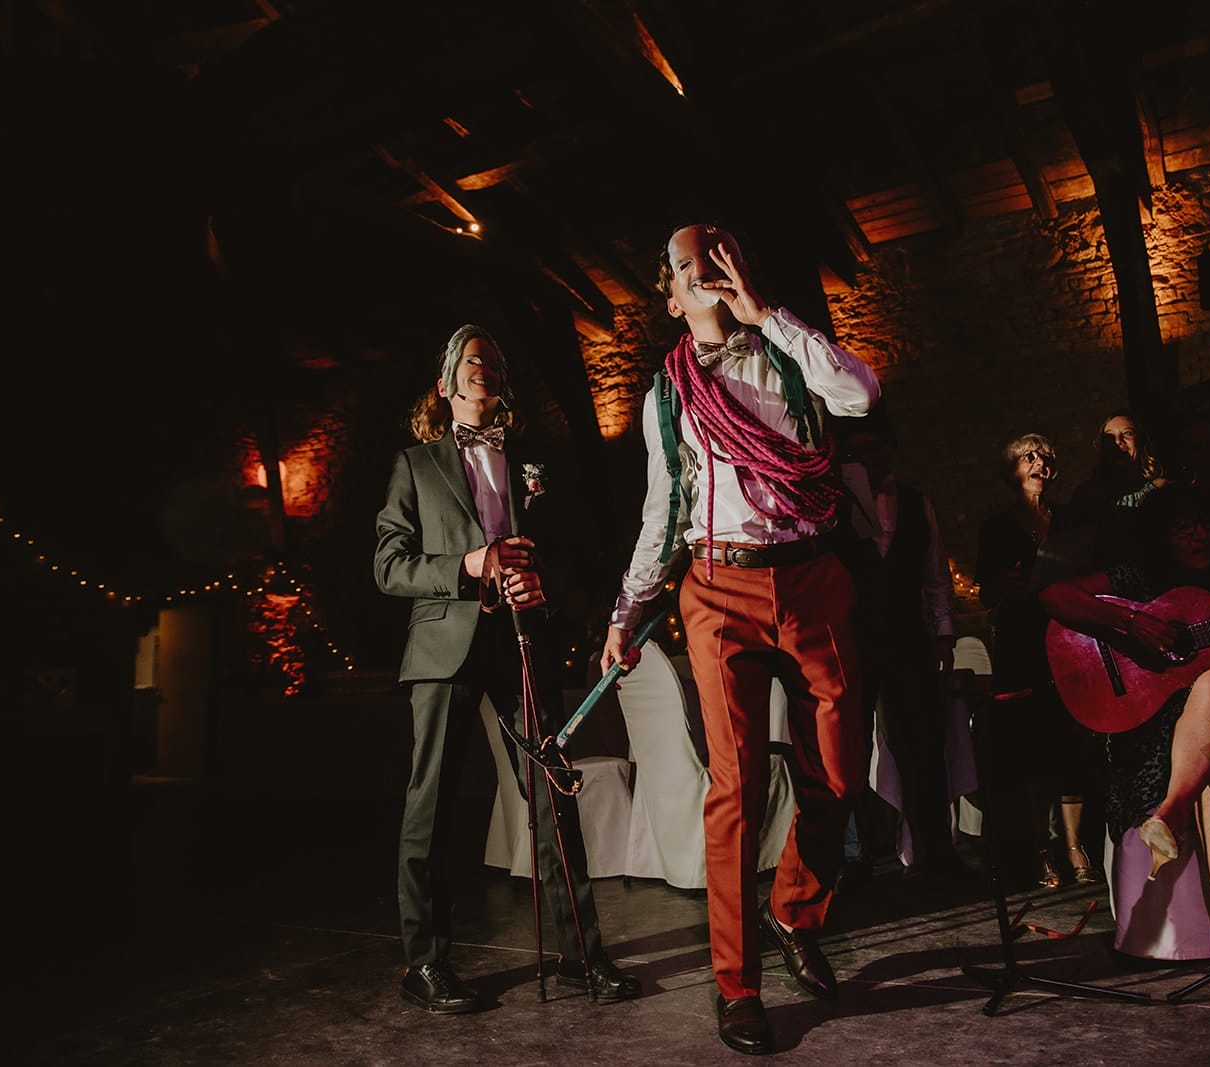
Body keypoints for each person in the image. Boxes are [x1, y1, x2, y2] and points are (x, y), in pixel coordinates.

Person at [601, 222, 880, 1055]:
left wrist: (769, 314)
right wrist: (625, 611)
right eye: (694, 264)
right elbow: (662, 514)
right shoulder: (665, 394)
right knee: (737, 787)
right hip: (718, 585)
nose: (713, 272)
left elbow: (861, 395)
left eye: (724, 256)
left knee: (837, 768)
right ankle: (738, 984)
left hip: (810, 575)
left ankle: (793, 910)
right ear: (672, 293)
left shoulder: (789, 352)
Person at [375, 323, 640, 1014]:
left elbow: (573, 552)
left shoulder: (537, 463)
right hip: (444, 645)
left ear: (503, 383)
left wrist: (542, 580)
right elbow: (388, 565)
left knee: (554, 796)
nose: (481, 366)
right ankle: (424, 962)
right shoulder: (414, 464)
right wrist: (468, 567)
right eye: (468, 359)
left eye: (493, 358)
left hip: (524, 641)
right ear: (444, 384)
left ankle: (582, 955)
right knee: (429, 806)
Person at [1039, 482, 1210, 991]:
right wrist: (1133, 621)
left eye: (1205, 524)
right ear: (1159, 536)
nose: (1199, 535)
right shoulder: (1137, 580)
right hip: (1150, 728)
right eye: (1182, 526)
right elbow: (1054, 595)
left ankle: (1170, 814)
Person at [833, 404, 960, 882]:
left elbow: (935, 577)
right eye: (857, 452)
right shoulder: (834, 508)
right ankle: (853, 857)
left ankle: (937, 852)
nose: (868, 460)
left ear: (891, 451)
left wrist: (945, 636)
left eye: (875, 449)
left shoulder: (915, 503)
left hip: (908, 638)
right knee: (846, 747)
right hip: (852, 640)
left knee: (923, 744)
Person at [973, 433, 1104, 890]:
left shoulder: (1070, 520)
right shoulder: (997, 526)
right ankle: (1042, 847)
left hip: (1070, 637)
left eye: (1045, 456)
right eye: (1028, 457)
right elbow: (986, 592)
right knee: (1031, 747)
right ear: (1011, 470)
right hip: (1023, 642)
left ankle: (1074, 844)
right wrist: (1005, 585)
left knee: (1072, 741)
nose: (1039, 463)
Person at [1067, 409, 1170, 567]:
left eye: (1127, 433)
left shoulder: (1162, 489)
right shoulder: (1086, 494)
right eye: (1109, 437)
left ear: (1141, 440)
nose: (1118, 441)